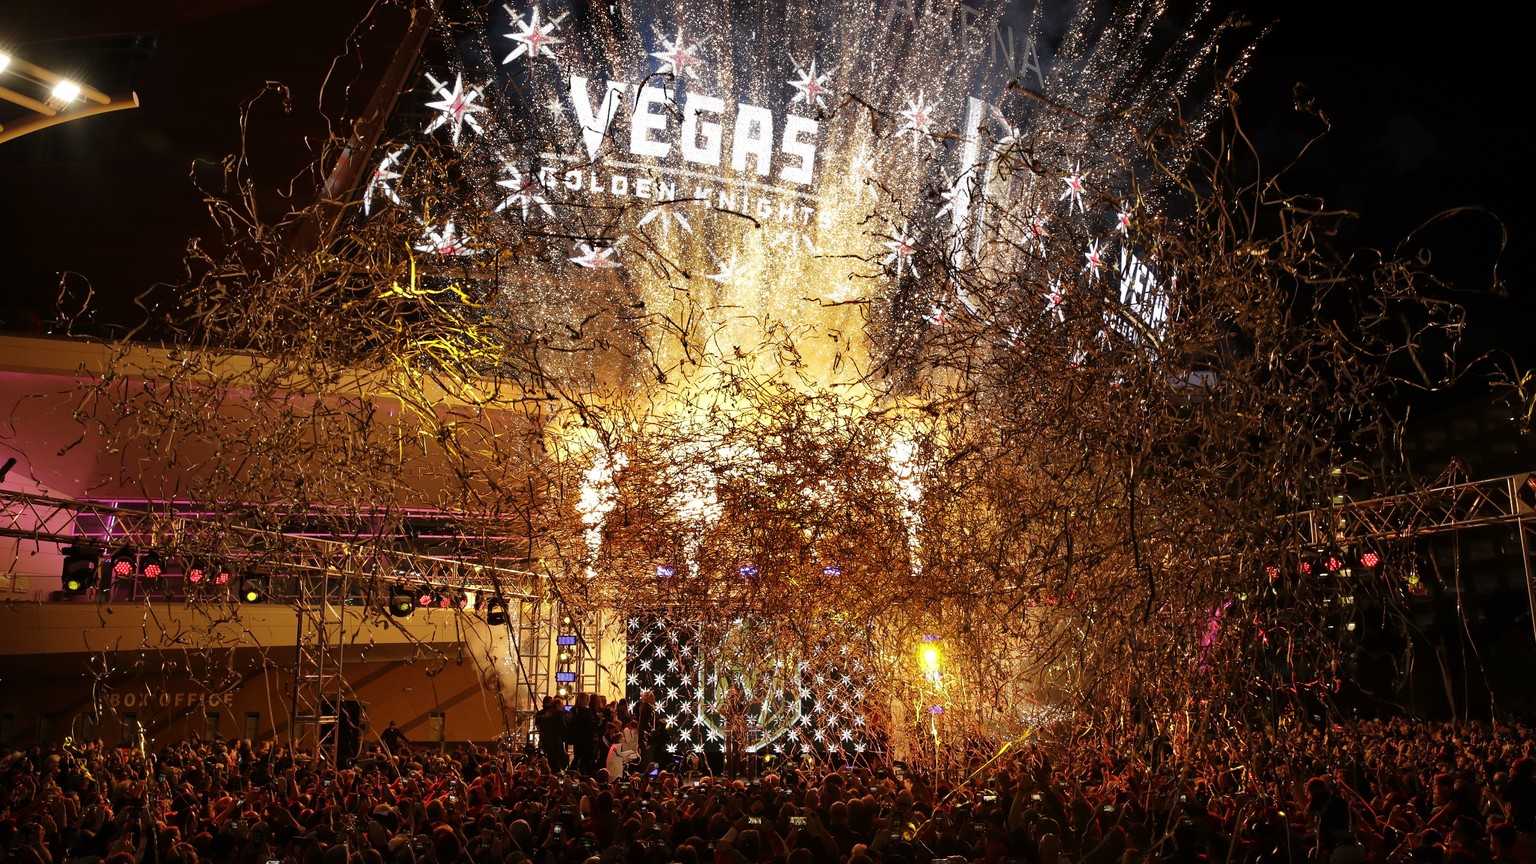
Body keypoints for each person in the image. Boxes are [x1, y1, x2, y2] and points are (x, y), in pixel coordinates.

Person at [535, 695, 569, 772]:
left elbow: (539, 726)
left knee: (549, 757)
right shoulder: (560, 713)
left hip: (546, 740)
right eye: (561, 704)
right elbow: (563, 727)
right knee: (560, 759)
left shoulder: (544, 713)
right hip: (557, 741)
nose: (563, 706)